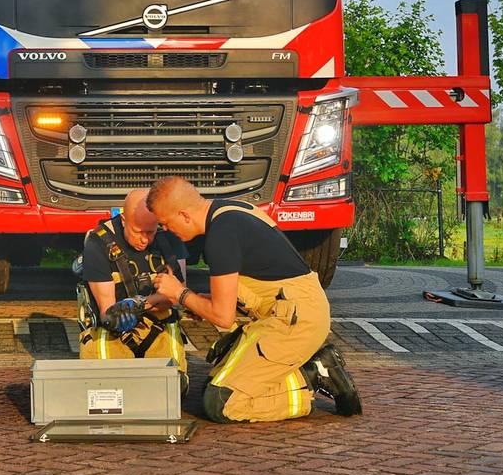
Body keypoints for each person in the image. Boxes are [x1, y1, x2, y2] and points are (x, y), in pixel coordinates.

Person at [146, 176, 361, 423]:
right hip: (294, 310)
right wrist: (196, 301)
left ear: (184, 215)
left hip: (296, 321)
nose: (165, 230)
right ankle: (304, 370)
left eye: (165, 223)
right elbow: (265, 277)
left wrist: (180, 294)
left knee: (221, 402)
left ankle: (313, 375)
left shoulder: (220, 236)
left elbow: (223, 318)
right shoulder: (230, 211)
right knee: (212, 384)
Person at [76, 188, 190, 391]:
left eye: (151, 232)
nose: (145, 240)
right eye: (138, 232)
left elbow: (179, 296)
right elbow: (107, 313)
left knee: (172, 391)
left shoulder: (170, 237)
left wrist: (140, 305)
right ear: (123, 220)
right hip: (112, 331)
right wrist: (121, 313)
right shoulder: (98, 242)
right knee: (107, 391)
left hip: (160, 327)